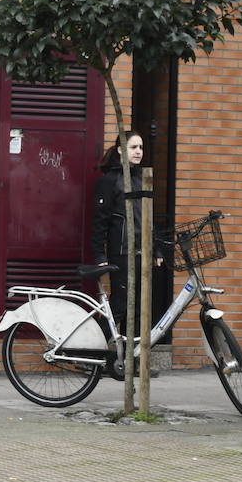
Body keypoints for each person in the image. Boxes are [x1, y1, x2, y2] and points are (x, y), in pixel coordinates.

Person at [91, 131, 145, 337]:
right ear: (121, 150)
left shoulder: (142, 177)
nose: (138, 151)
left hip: (143, 252)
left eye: (140, 147)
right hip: (121, 252)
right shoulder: (109, 180)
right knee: (120, 305)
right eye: (133, 147)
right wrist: (99, 256)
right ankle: (96, 350)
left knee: (140, 308)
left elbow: (147, 217)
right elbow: (99, 222)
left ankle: (130, 359)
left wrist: (156, 248)